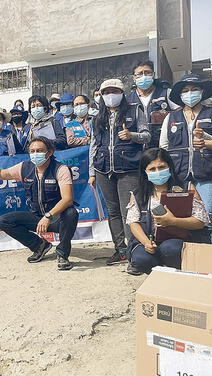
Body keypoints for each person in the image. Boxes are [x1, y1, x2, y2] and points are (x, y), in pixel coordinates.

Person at [0, 137, 79, 270]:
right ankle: (40, 246)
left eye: (40, 150)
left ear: (49, 153)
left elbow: (67, 199)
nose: (35, 154)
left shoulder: (61, 169)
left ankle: (62, 254)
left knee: (71, 213)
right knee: (4, 221)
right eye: (32, 151)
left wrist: (48, 217)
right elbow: (0, 174)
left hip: (56, 218)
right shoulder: (24, 167)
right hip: (37, 217)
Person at [89, 78, 150, 266]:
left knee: (130, 211)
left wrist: (132, 135)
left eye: (114, 91)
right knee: (113, 211)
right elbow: (93, 144)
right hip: (103, 169)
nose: (110, 96)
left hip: (129, 168)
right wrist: (92, 171)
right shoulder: (97, 117)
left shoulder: (134, 110)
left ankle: (134, 250)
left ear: (122, 93)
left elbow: (147, 135)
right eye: (106, 93)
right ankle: (120, 250)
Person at [160, 73, 212, 245]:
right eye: (186, 90)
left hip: (206, 172)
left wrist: (206, 140)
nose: (190, 93)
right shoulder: (170, 117)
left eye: (194, 89)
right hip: (179, 173)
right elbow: (163, 147)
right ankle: (190, 251)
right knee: (183, 214)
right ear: (180, 95)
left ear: (202, 91)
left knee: (206, 213)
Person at [126, 148, 209, 275]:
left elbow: (201, 221)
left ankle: (177, 271)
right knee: (140, 259)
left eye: (162, 167)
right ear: (145, 172)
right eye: (152, 169)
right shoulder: (138, 194)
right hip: (150, 241)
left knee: (170, 248)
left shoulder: (186, 188)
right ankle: (159, 271)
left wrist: (173, 221)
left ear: (169, 167)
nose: (157, 172)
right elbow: (133, 223)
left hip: (177, 241)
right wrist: (146, 243)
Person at [127, 60, 178, 148]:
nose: (144, 76)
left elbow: (179, 114)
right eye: (139, 74)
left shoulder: (166, 93)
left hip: (162, 146)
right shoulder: (128, 100)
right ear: (134, 78)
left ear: (153, 74)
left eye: (147, 73)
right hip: (136, 149)